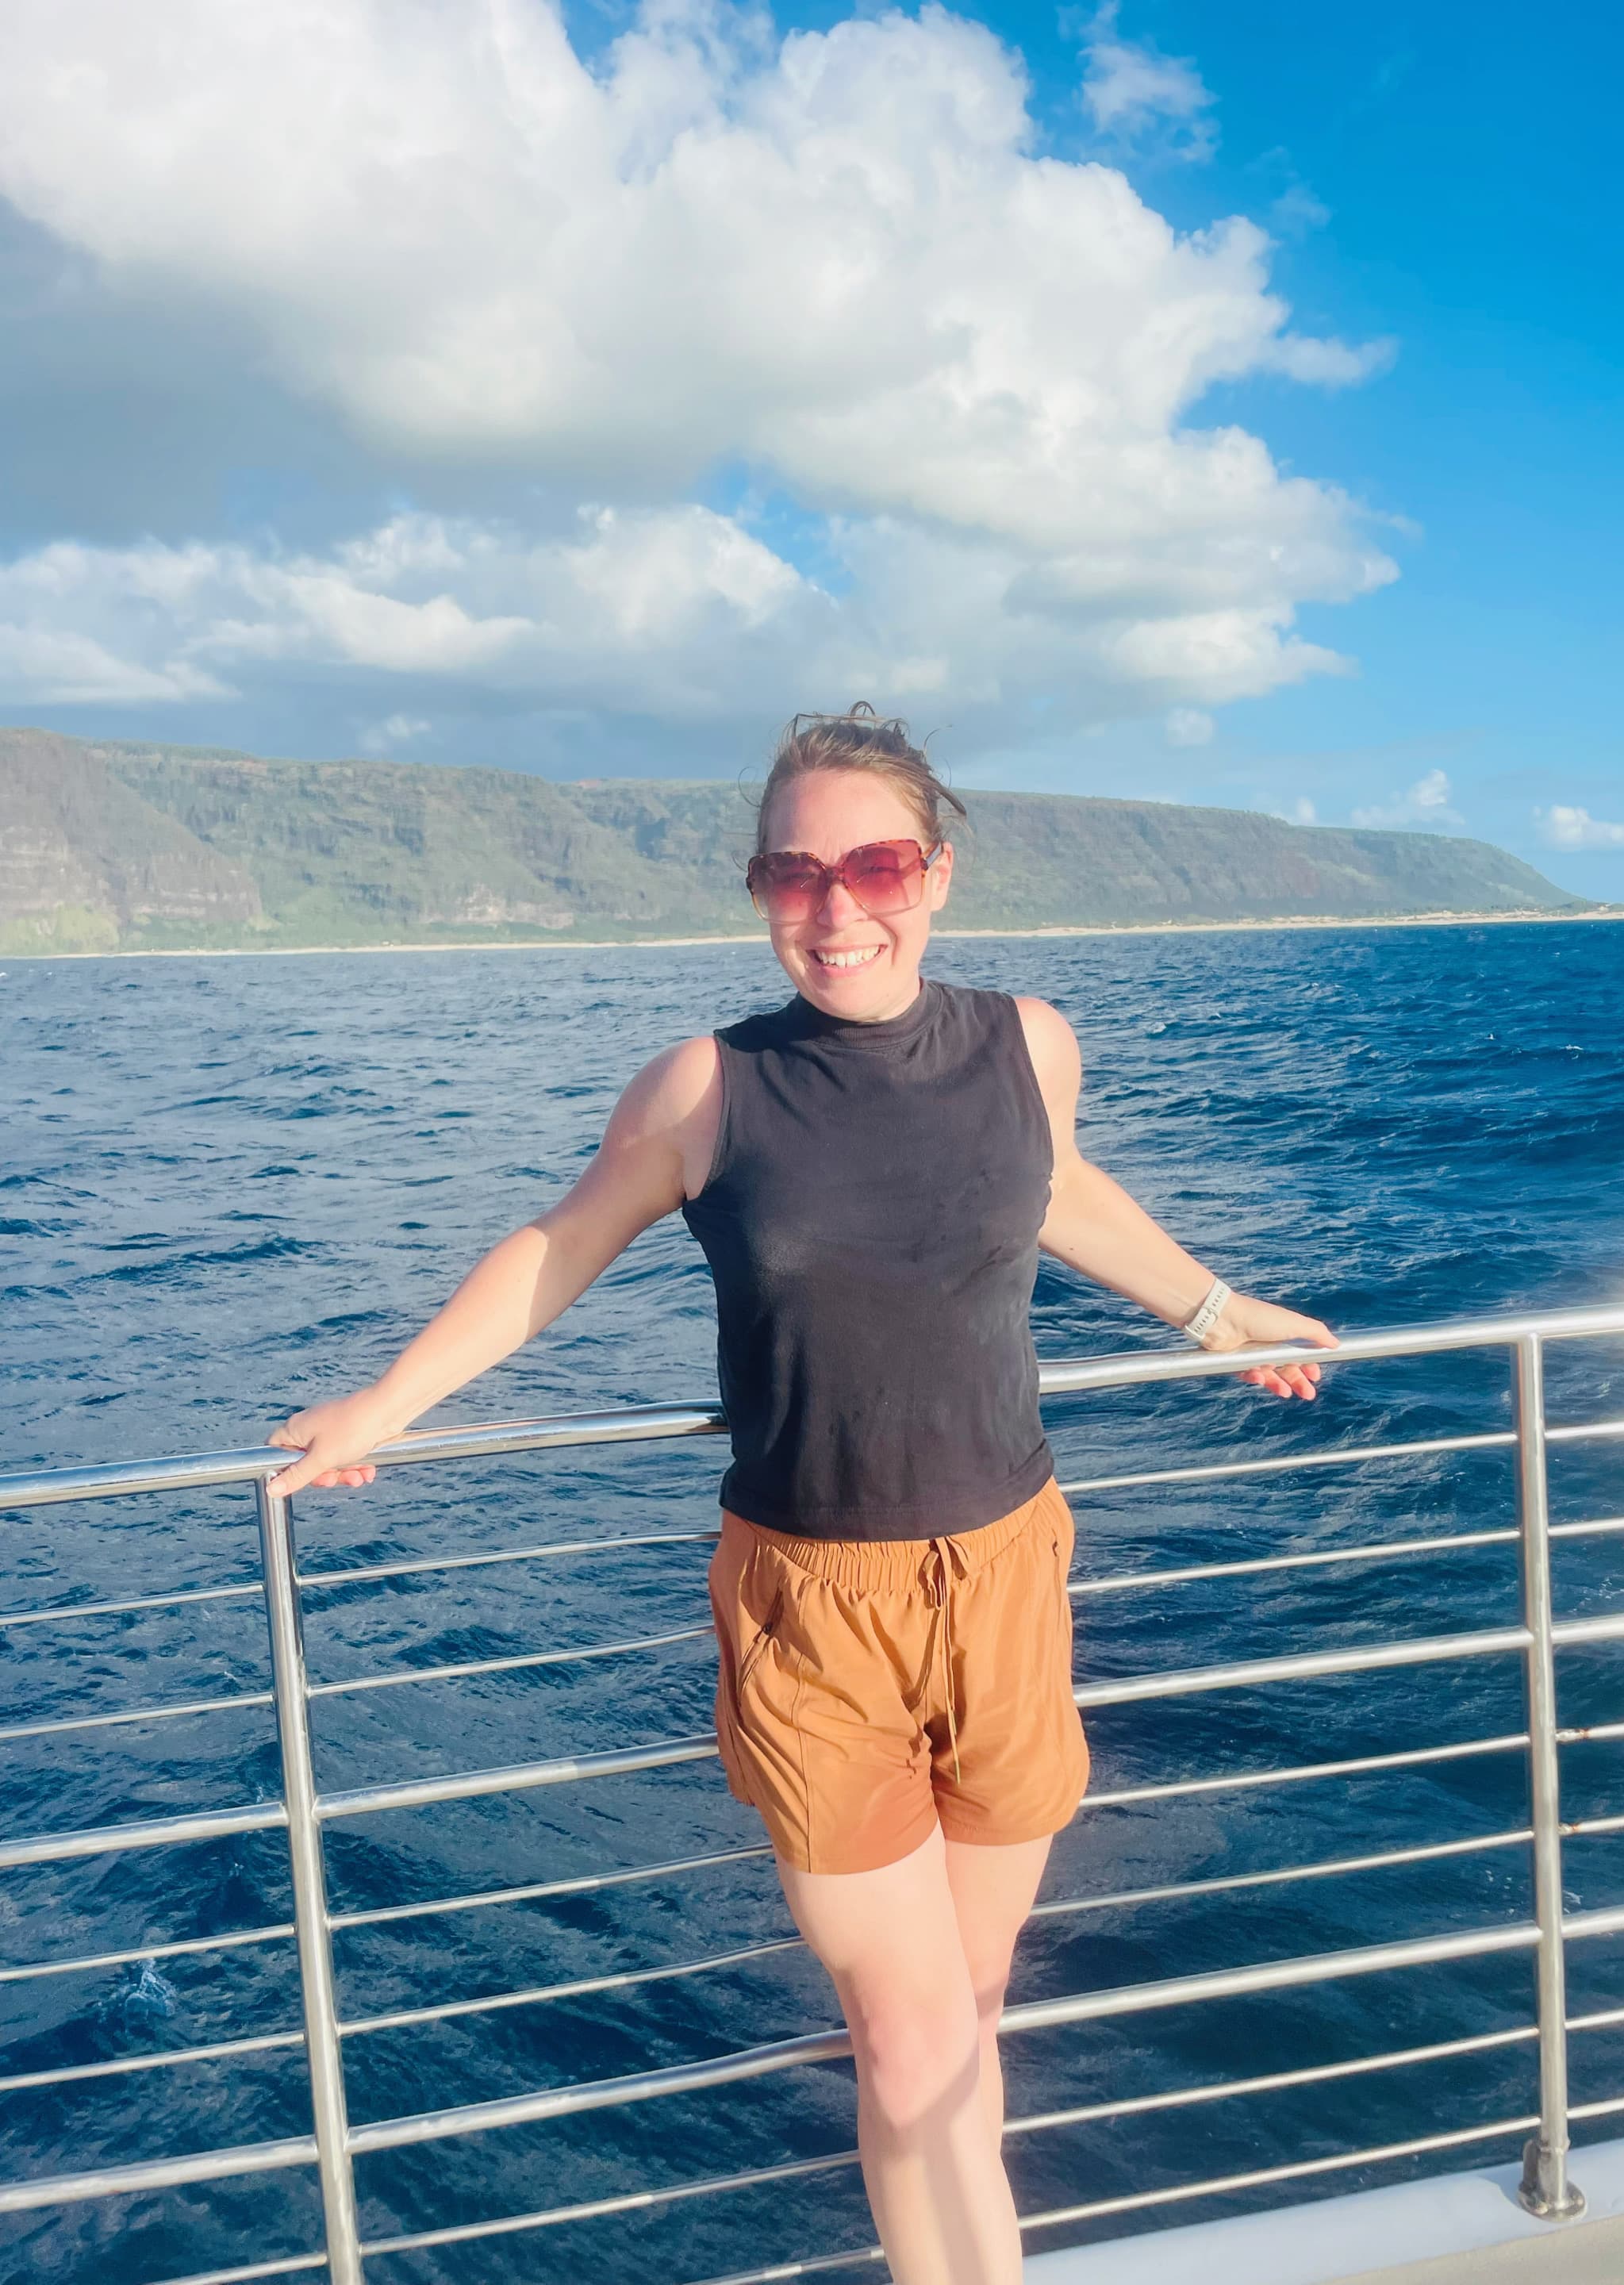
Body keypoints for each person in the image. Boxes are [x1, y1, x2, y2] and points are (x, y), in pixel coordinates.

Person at [268, 705, 1336, 2285]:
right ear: (761, 890)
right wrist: (388, 1402)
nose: (836, 909)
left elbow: (1056, 1190)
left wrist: (1212, 1310)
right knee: (911, 2050)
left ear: (938, 874)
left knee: (959, 2030)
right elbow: (558, 1250)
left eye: (875, 862)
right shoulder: (710, 1090)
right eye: (792, 873)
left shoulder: (1029, 1044)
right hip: (813, 1608)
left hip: (1006, 1575)